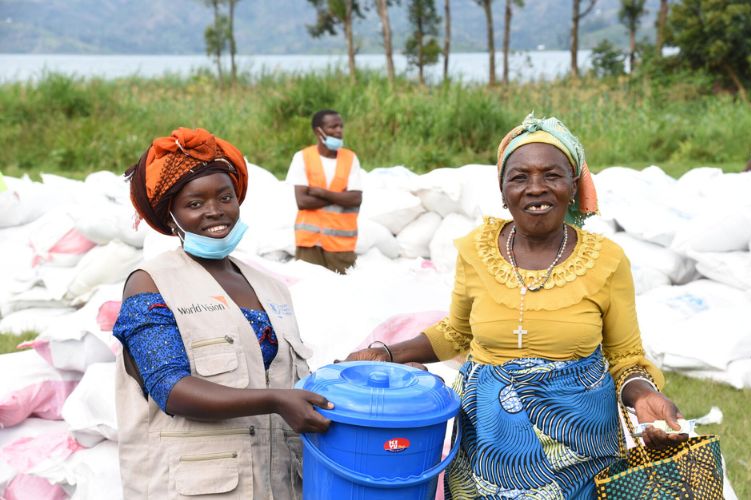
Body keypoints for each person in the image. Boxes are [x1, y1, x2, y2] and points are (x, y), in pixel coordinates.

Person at [346, 113, 688, 498]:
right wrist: (387, 352)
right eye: (520, 177)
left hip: (582, 449)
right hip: (486, 445)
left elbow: (625, 357)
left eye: (552, 176)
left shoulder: (606, 261)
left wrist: (643, 395)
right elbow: (456, 333)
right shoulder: (477, 250)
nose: (535, 189)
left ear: (573, 186)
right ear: (502, 189)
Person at [113, 127, 332, 499]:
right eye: (194, 204)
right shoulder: (151, 284)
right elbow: (170, 387)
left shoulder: (271, 287)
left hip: (278, 486)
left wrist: (355, 373)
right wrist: (275, 401)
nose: (215, 211)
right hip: (197, 486)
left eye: (225, 197)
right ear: (171, 217)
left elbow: (286, 377)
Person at [286, 109, 364, 273]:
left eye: (341, 126)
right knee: (309, 290)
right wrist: (341, 196)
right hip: (309, 243)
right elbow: (302, 202)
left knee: (345, 292)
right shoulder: (302, 157)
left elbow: (355, 199)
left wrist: (321, 193)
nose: (339, 131)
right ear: (318, 131)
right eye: (333, 127)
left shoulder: (350, 158)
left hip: (341, 245)